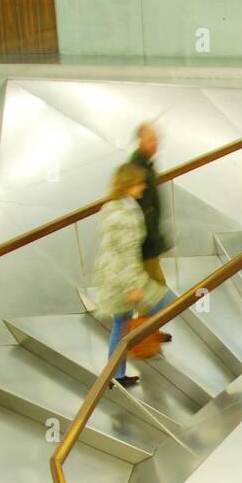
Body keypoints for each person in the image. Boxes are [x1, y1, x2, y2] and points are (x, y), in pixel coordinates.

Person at [92, 163, 170, 389]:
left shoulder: (122, 206)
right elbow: (122, 256)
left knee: (122, 323)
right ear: (128, 184)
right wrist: (130, 287)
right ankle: (118, 370)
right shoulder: (121, 215)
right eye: (139, 182)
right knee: (157, 303)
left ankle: (116, 373)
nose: (144, 186)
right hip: (122, 280)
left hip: (120, 277)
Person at [130, 122, 173, 342]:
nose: (155, 144)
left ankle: (150, 332)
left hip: (149, 241)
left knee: (156, 289)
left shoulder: (145, 165)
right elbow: (138, 208)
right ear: (140, 141)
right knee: (154, 290)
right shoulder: (137, 168)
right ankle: (145, 335)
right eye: (150, 140)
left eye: (156, 140)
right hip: (143, 243)